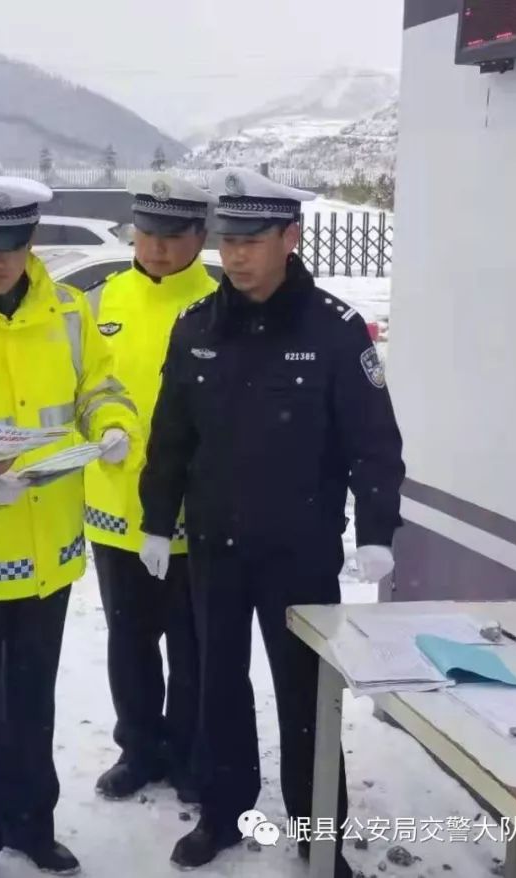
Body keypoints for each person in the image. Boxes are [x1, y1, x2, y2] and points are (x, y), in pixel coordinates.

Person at [139, 167, 405, 875]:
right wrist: (156, 519)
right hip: (216, 550)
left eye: (252, 241)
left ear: (289, 237)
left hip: (301, 553)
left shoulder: (335, 329)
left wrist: (377, 531)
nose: (235, 256)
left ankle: (321, 835)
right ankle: (223, 815)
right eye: (228, 242)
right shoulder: (196, 328)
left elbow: (373, 442)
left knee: (307, 701)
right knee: (216, 689)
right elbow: (171, 437)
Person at [0, 176, 141, 878]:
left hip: (49, 546)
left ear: (31, 241)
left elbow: (101, 388)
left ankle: (31, 824)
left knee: (31, 704)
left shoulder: (70, 311)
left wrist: (112, 426)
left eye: (12, 245)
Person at [84, 172, 218, 803]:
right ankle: (138, 747)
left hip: (195, 510)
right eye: (148, 234)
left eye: (173, 236)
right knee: (130, 642)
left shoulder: (221, 303)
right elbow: (79, 387)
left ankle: (192, 752)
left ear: (199, 235)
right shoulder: (101, 300)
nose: (158, 249)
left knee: (193, 647)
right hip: (115, 505)